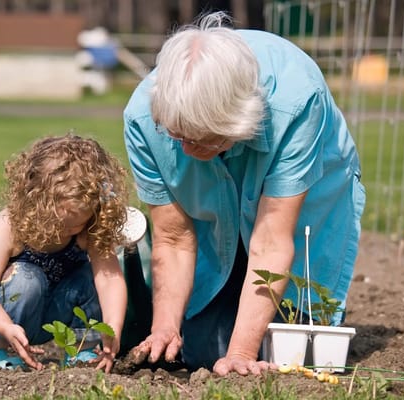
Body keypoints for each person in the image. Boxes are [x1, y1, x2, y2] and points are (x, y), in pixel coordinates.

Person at [122, 11, 366, 376]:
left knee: (294, 350)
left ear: (240, 122)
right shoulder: (144, 118)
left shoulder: (297, 100)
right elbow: (173, 238)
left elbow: (271, 240)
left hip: (304, 211)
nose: (186, 152)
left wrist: (241, 353)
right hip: (211, 214)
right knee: (204, 349)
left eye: (201, 139)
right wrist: (165, 328)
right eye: (178, 136)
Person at [0, 133, 129, 372]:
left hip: (53, 305)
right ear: (35, 202)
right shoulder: (9, 227)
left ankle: (80, 349)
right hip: (2, 312)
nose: (68, 231)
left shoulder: (88, 229)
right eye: (59, 222)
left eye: (76, 225)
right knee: (27, 278)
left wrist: (113, 326)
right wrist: (5, 327)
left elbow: (109, 280)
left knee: (89, 275)